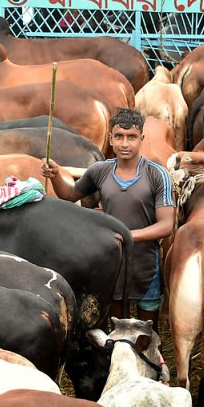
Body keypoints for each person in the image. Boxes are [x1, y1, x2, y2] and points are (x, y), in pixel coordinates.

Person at [41, 107, 175, 330]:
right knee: (115, 329)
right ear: (110, 138)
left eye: (131, 137)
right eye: (119, 137)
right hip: (111, 262)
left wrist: (127, 236)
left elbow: (166, 225)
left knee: (147, 331)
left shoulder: (156, 174)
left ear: (141, 139)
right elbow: (70, 194)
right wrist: (56, 176)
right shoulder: (99, 171)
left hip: (146, 263)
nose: (125, 143)